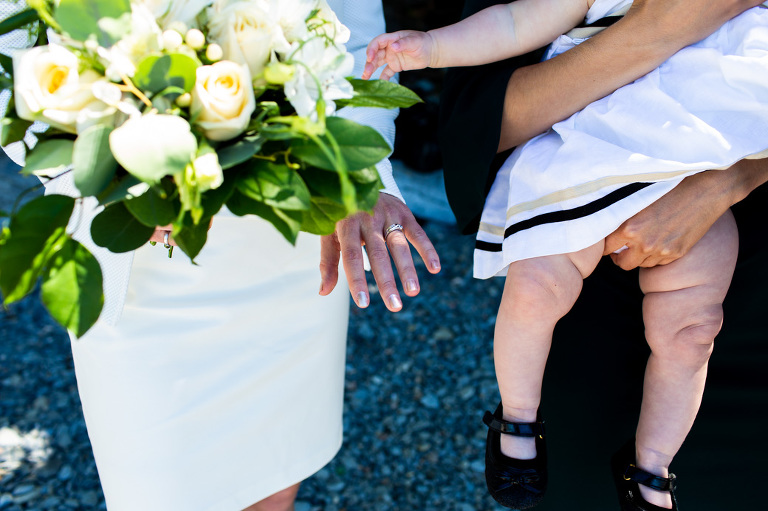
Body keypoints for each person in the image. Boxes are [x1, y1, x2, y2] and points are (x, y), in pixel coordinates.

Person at [1, 1, 440, 510]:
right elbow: (8, 57)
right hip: (142, 253)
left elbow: (356, 37)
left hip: (287, 232)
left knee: (276, 471)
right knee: (158, 489)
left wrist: (357, 179)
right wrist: (99, 173)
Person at [432, 0, 768, 509]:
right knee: (539, 286)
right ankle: (519, 416)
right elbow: (511, 29)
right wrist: (429, 47)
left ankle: (652, 466)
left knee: (693, 331)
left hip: (715, 177)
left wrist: (726, 182)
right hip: (593, 153)